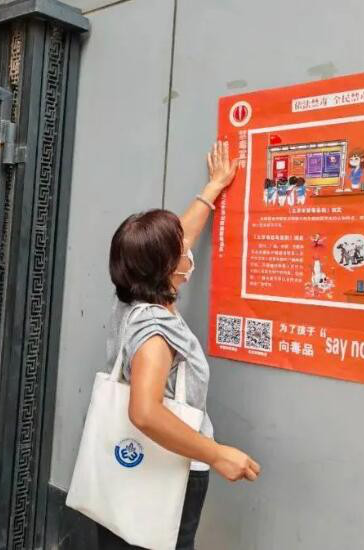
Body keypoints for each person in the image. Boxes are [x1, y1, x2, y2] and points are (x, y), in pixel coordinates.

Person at [98, 141, 260, 549]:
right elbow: (144, 411)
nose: (188, 250)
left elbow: (181, 235)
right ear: (169, 267)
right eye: (180, 251)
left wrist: (213, 188)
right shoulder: (155, 332)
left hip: (129, 465)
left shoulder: (132, 297)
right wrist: (216, 454)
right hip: (165, 468)